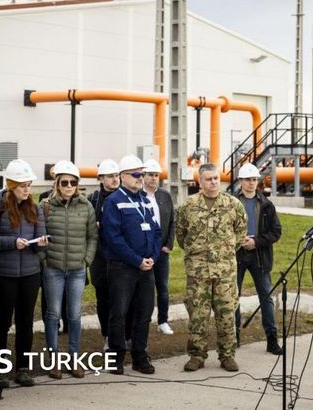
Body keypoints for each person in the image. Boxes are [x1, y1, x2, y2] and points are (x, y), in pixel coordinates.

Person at [176, 163, 247, 372]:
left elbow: (240, 234)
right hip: (198, 273)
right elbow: (181, 235)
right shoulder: (187, 206)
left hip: (225, 272)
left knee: (226, 314)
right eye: (208, 179)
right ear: (200, 182)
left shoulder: (233, 205)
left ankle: (227, 355)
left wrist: (223, 253)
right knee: (198, 315)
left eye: (216, 178)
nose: (214, 182)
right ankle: (197, 355)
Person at [0, 159, 47, 387]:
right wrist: (13, 242)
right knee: (1, 323)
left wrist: (38, 243)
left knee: (25, 322)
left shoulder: (35, 207)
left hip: (29, 274)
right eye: (23, 186)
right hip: (3, 275)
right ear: (11, 186)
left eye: (29, 185)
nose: (27, 190)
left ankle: (22, 369)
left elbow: (42, 237)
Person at [100, 155, 161, 375]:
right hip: (123, 268)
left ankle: (139, 356)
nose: (140, 178)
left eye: (142, 174)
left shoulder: (145, 200)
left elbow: (155, 232)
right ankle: (115, 358)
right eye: (136, 174)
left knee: (144, 313)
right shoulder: (114, 201)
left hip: (146, 267)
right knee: (119, 313)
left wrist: (153, 257)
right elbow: (113, 238)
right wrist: (137, 260)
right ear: (123, 176)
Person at [37, 160, 97, 379]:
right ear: (57, 183)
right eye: (65, 182)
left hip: (77, 270)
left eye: (73, 182)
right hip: (52, 269)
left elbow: (92, 237)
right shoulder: (44, 205)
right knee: (52, 314)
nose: (69, 186)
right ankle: (53, 359)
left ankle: (73, 358)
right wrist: (44, 260)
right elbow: (39, 234)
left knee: (74, 315)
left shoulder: (86, 206)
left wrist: (86, 260)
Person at [232, 163, 283, 355]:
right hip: (236, 256)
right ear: (241, 181)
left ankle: (271, 340)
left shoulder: (267, 205)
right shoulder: (231, 202)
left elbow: (276, 232)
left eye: (254, 179)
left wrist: (257, 242)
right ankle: (234, 338)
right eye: (248, 179)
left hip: (260, 257)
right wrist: (239, 241)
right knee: (232, 298)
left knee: (266, 297)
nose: (251, 183)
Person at [87, 158, 121, 349]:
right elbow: (85, 225)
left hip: (120, 257)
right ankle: (107, 335)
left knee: (122, 298)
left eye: (116, 175)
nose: (115, 179)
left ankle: (122, 336)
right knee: (103, 298)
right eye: (110, 176)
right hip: (100, 257)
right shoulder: (93, 200)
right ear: (101, 178)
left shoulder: (126, 197)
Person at [142, 159, 176, 335]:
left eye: (156, 175)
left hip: (162, 251)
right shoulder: (138, 195)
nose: (154, 178)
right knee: (144, 289)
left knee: (162, 287)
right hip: (144, 252)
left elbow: (171, 221)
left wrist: (169, 244)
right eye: (150, 175)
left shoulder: (165, 196)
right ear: (143, 176)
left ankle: (163, 320)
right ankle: (144, 320)